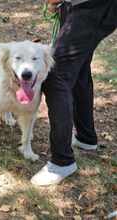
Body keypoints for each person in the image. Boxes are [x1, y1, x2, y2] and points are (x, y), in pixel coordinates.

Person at [31, 0, 117, 186]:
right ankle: (86, 138)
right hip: (74, 5)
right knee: (79, 68)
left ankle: (62, 162)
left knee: (55, 75)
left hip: (94, 5)